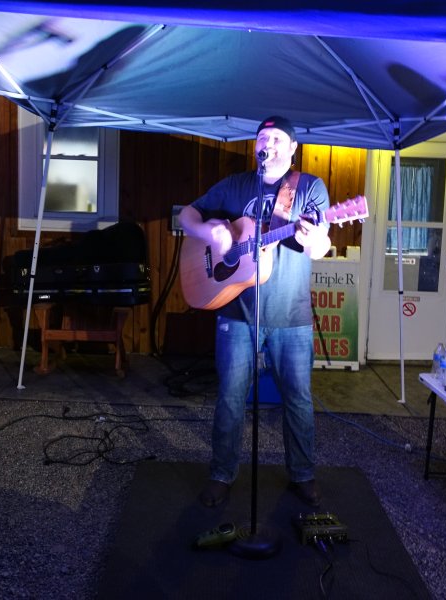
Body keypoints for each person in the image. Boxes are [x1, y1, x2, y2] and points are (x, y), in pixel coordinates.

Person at [178, 115, 332, 508]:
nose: (271, 145)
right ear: (256, 145)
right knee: (230, 397)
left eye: (279, 138)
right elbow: (187, 214)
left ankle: (302, 474)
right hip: (236, 312)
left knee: (297, 398)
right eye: (264, 138)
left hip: (291, 315)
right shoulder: (234, 186)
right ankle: (221, 474)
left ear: (293, 148)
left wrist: (316, 239)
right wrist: (209, 233)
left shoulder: (308, 188)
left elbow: (320, 247)